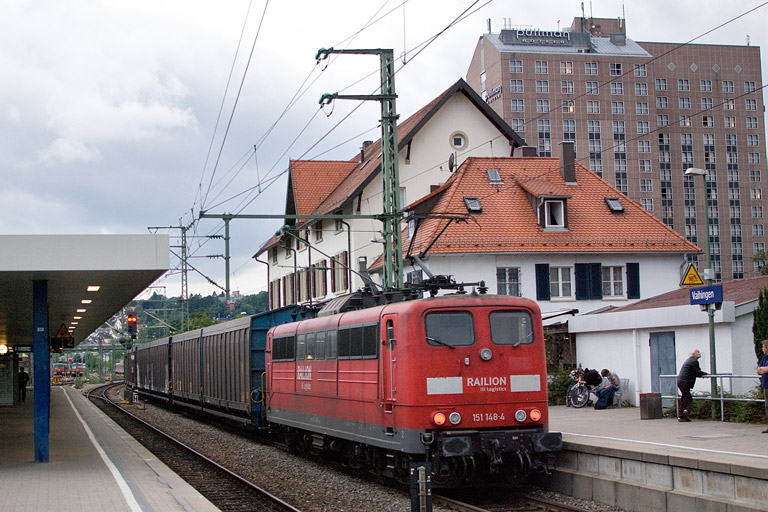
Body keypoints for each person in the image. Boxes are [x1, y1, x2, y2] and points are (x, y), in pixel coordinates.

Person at [677, 349, 707, 422]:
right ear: (693, 354)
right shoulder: (694, 361)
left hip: (681, 381)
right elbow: (697, 371)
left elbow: (695, 372)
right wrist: (705, 374)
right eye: (698, 352)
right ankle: (683, 413)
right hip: (685, 381)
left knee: (685, 397)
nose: (700, 353)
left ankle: (683, 414)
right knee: (687, 398)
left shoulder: (690, 360)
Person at [757, 340, 768, 433]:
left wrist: (764, 369)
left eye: (763, 347)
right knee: (767, 406)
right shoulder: (764, 358)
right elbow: (759, 369)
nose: (762, 349)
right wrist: (764, 369)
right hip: (766, 384)